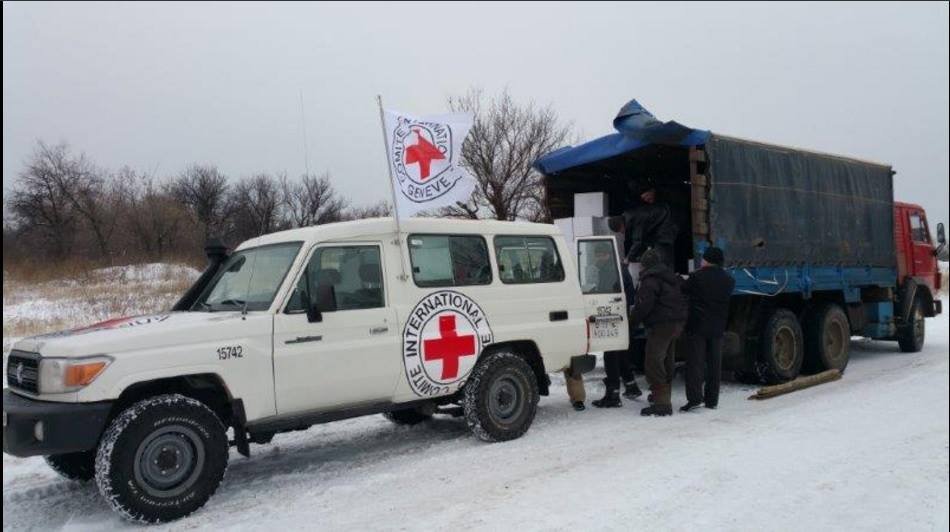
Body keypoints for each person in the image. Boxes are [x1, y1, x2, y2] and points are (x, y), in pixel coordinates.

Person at [628, 248, 688, 417]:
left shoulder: (650, 280)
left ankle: (662, 404)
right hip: (676, 324)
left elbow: (643, 307)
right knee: (667, 360)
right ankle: (661, 397)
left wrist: (631, 323)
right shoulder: (671, 278)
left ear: (646, 264)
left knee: (653, 362)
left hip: (661, 326)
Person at [680, 247, 735, 412]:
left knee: (695, 364)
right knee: (714, 365)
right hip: (717, 326)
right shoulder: (728, 280)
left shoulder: (697, 277)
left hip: (697, 326)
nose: (702, 260)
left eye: (703, 258)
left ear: (708, 260)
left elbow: (684, 288)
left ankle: (695, 399)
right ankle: (712, 400)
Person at [592, 252, 643, 408]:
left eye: (598, 255)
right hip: (622, 315)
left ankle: (613, 395)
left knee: (610, 355)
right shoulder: (620, 268)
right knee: (620, 354)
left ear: (605, 255)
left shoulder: (610, 270)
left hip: (614, 315)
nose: (596, 259)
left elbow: (608, 292)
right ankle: (631, 386)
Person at [618, 178, 678, 268]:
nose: (646, 200)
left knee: (661, 261)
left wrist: (628, 259)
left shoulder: (636, 218)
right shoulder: (632, 215)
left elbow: (638, 241)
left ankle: (665, 278)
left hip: (664, 234)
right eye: (644, 199)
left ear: (652, 190)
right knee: (662, 259)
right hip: (664, 234)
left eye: (646, 197)